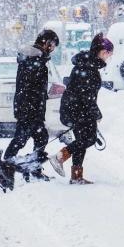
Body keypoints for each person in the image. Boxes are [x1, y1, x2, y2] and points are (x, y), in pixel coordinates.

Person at [0, 30, 60, 188]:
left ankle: (33, 170)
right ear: (46, 43)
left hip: (30, 106)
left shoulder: (35, 58)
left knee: (40, 137)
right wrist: (33, 108)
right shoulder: (34, 60)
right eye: (52, 45)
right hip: (29, 108)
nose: (52, 49)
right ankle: (4, 174)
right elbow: (30, 88)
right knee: (21, 139)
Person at [49, 33, 114, 184]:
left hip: (76, 108)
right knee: (89, 138)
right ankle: (59, 157)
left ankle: (76, 176)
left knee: (82, 139)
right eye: (108, 54)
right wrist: (96, 113)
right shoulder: (89, 67)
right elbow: (86, 95)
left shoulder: (86, 64)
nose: (108, 58)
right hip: (79, 109)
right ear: (103, 52)